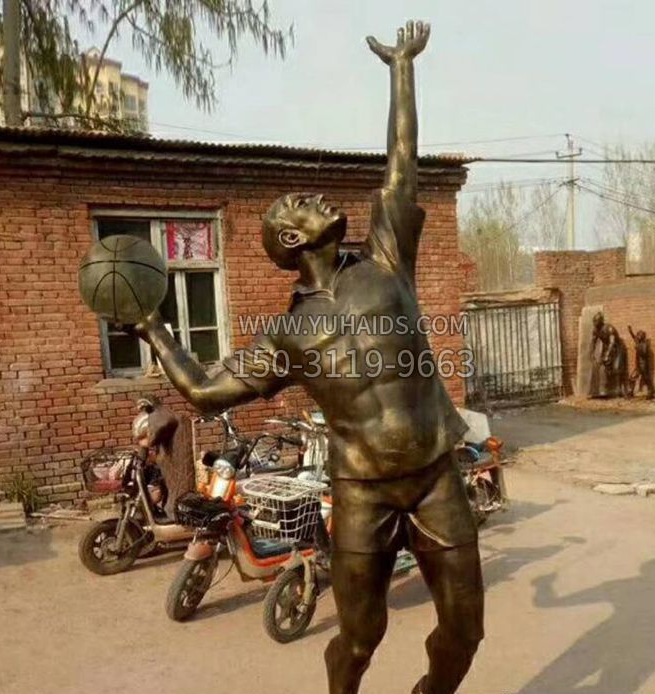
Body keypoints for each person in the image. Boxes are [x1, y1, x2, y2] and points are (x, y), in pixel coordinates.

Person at [127, 21, 482, 694]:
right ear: (291, 239)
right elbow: (203, 390)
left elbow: (401, 166)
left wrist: (401, 69)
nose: (316, 199)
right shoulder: (287, 337)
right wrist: (153, 328)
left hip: (435, 476)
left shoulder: (386, 260)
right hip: (362, 492)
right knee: (360, 636)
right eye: (300, 205)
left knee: (465, 631)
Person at [627, 326, 655, 399]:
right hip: (638, 366)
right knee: (632, 377)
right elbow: (634, 338)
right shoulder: (638, 342)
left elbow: (644, 352)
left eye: (639, 335)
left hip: (644, 366)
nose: (637, 337)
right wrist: (630, 331)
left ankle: (651, 392)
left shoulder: (645, 344)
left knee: (647, 379)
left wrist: (637, 347)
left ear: (642, 336)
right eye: (637, 335)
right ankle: (630, 392)